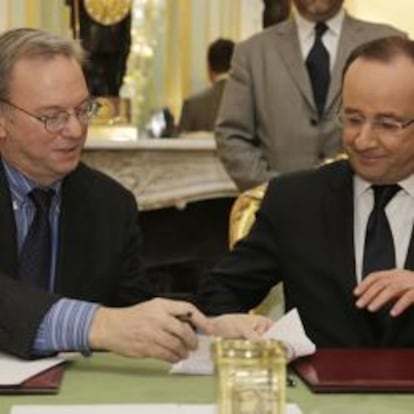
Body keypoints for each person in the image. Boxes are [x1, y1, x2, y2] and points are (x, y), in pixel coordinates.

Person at [0, 28, 271, 361]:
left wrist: (206, 328)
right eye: (53, 117)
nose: (74, 130)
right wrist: (97, 325)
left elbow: (134, 311)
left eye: (83, 110)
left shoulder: (108, 204)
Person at [198, 36, 414, 348]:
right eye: (353, 119)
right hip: (316, 394)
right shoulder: (296, 201)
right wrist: (230, 324)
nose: (363, 140)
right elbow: (218, 292)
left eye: (387, 124)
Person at [215, 0, 405, 191]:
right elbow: (232, 135)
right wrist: (276, 190)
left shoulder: (391, 43)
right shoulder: (252, 53)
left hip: (377, 206)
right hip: (284, 211)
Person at [178, 38, 235, 133]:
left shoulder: (192, 105)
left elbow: (180, 145)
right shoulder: (251, 103)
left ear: (209, 69)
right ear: (236, 65)